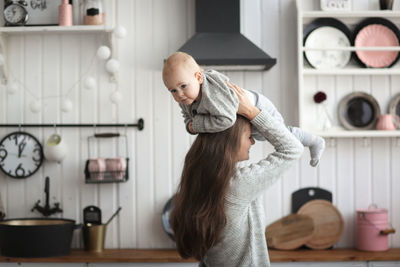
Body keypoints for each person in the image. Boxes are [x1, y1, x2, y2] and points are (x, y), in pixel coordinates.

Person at [170, 83, 304, 266]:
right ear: (229, 142)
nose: (252, 142)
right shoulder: (237, 185)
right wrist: (251, 112)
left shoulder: (200, 181)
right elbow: (292, 148)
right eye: (249, 135)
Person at [162, 52, 325, 166]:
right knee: (261, 137)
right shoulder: (186, 99)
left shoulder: (212, 93)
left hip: (257, 106)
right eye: (173, 90)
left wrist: (195, 126)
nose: (179, 94)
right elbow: (189, 119)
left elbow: (226, 120)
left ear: (198, 77)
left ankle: (314, 141)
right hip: (243, 117)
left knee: (281, 133)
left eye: (183, 86)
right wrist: (190, 126)